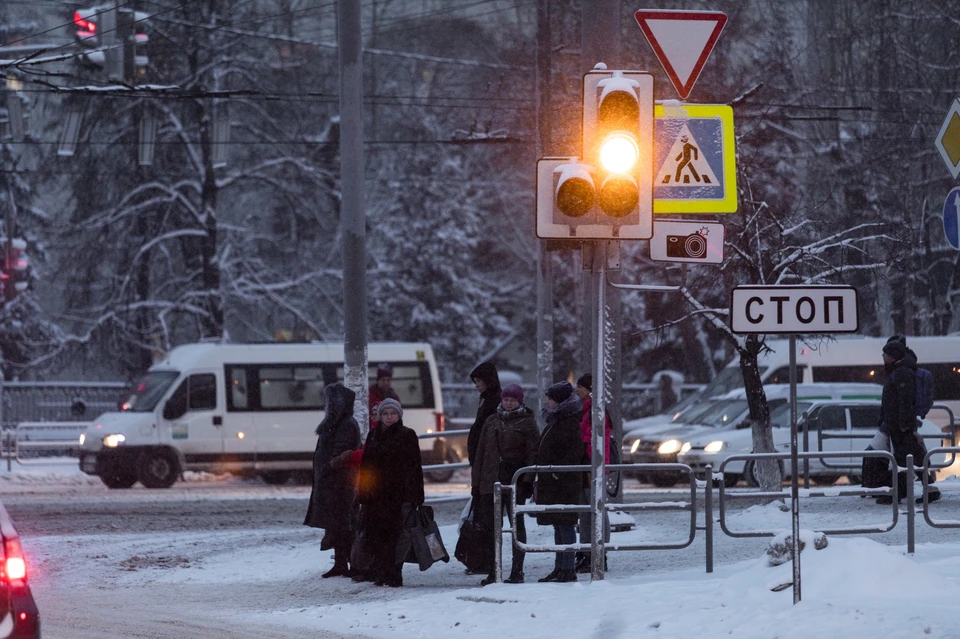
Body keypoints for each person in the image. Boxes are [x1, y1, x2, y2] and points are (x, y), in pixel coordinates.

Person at [472, 384, 539, 585]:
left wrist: (527, 481)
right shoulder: (491, 421)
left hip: (514, 481)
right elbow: (481, 453)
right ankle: (494, 570)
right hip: (489, 481)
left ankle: (517, 570)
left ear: (520, 401)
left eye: (512, 400)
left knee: (516, 525)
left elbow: (532, 454)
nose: (508, 403)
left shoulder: (527, 423)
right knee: (491, 527)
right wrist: (476, 483)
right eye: (506, 399)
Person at [356, 398, 425, 587]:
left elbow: (414, 467)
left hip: (399, 494)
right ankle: (381, 571)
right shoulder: (374, 435)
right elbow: (366, 466)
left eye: (393, 414)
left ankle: (394, 572)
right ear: (380, 416)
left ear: (399, 415)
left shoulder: (407, 435)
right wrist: (363, 491)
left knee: (397, 535)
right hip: (376, 495)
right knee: (377, 533)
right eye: (385, 414)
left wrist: (416, 495)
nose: (389, 417)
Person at [303, 383, 362, 578]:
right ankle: (341, 563)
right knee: (338, 523)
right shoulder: (339, 422)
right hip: (333, 482)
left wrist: (325, 469)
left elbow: (340, 454)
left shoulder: (345, 424)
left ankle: (352, 563)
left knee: (343, 523)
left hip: (340, 483)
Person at [875, 335, 941, 505]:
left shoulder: (902, 372)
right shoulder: (898, 371)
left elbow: (905, 399)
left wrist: (904, 424)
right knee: (909, 459)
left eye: (885, 354)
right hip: (898, 424)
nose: (883, 357)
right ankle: (922, 491)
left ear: (894, 356)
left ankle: (904, 493)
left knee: (905, 459)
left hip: (901, 425)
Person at [535, 381, 584, 583]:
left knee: (565, 524)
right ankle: (560, 566)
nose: (547, 402)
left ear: (560, 401)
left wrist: (558, 472)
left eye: (550, 398)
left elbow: (573, 452)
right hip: (555, 480)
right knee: (558, 523)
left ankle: (567, 567)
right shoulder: (557, 420)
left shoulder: (567, 422)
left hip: (563, 481)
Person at [573, 374, 611, 574]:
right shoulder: (585, 410)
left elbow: (593, 441)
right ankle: (588, 550)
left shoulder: (595, 412)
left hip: (592, 467)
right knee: (586, 512)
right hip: (587, 466)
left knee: (595, 510)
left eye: (580, 386)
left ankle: (597, 552)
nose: (576, 390)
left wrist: (580, 452)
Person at [468, 362, 502, 467]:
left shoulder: (495, 401)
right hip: (483, 455)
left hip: (487, 456)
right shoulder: (486, 399)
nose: (476, 385)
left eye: (479, 381)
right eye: (475, 382)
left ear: (487, 380)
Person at [368, 363, 400, 430]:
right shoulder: (370, 394)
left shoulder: (394, 396)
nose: (386, 383)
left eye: (388, 380)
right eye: (383, 380)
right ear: (378, 381)